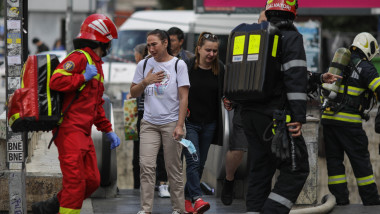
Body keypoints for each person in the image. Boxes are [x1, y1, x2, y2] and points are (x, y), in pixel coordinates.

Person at [31, 14, 121, 214]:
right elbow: (56, 81)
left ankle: (49, 208)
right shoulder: (79, 57)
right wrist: (82, 77)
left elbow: (96, 104)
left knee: (92, 181)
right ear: (101, 40)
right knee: (75, 184)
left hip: (85, 133)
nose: (110, 46)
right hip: (70, 131)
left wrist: (107, 130)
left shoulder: (97, 65)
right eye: (109, 42)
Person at [239, 0, 310, 213]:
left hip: (249, 115)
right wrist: (298, 117)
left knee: (261, 169)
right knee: (297, 169)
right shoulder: (290, 37)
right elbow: (295, 78)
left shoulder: (254, 37)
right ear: (293, 11)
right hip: (276, 118)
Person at [130, 29, 189, 214]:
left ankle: (179, 209)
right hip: (149, 122)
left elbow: (183, 97)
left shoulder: (178, 65)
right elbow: (133, 93)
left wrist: (180, 125)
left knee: (173, 167)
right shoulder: (144, 64)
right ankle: (145, 209)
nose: (151, 48)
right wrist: (146, 81)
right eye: (148, 45)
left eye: (154, 44)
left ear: (165, 43)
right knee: (146, 166)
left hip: (171, 122)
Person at [321, 32, 380, 206]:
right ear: (368, 48)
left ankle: (339, 201)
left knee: (334, 162)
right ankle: (371, 201)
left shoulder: (341, 63)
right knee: (360, 161)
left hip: (329, 120)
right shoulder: (366, 68)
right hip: (349, 123)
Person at [220, 9, 266, 206]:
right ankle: (229, 180)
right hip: (244, 104)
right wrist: (228, 94)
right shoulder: (245, 40)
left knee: (264, 154)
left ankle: (257, 195)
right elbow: (233, 69)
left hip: (268, 106)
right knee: (238, 149)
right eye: (264, 20)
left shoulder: (279, 41)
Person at [183, 32, 224, 214]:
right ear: (198, 49)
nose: (211, 54)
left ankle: (187, 200)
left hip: (210, 124)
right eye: (208, 50)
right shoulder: (187, 67)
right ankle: (198, 198)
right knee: (193, 161)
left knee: (200, 164)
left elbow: (225, 93)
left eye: (215, 51)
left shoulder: (220, 69)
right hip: (189, 123)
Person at [131, 43, 148, 189]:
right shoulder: (144, 67)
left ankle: (139, 185)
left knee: (138, 154)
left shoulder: (142, 67)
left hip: (140, 114)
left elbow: (135, 92)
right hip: (140, 114)